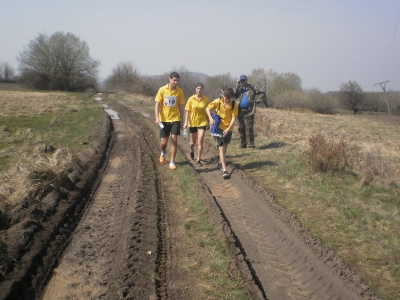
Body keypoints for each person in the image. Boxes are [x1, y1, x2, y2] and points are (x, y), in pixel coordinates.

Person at [155, 72, 185, 170]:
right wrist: (157, 117)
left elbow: (181, 106)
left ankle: (172, 161)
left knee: (174, 139)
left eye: (177, 81)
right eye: (174, 80)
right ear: (170, 79)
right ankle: (163, 152)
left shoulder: (180, 91)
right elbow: (158, 104)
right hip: (164, 119)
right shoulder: (162, 90)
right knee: (164, 142)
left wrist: (181, 120)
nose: (176, 82)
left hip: (175, 118)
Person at [206, 88, 238, 179]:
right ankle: (225, 170)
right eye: (225, 98)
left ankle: (220, 163)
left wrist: (228, 128)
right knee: (221, 148)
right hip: (219, 127)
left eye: (229, 98)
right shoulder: (218, 101)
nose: (227, 100)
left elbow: (233, 118)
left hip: (229, 128)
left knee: (225, 148)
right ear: (223, 96)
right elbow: (207, 108)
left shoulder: (234, 105)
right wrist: (210, 118)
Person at [183, 83, 209, 167]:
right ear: (195, 89)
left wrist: (208, 121)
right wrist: (186, 122)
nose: (199, 90)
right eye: (198, 88)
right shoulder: (191, 99)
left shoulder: (205, 100)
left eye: (201, 88)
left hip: (202, 122)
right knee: (192, 142)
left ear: (203, 90)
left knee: (200, 140)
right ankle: (191, 149)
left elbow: (207, 112)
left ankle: (198, 159)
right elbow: (187, 111)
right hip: (193, 122)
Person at [233, 74, 258, 148]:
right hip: (240, 111)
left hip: (249, 111)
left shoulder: (252, 87)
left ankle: (251, 144)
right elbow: (233, 94)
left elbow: (261, 92)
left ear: (246, 80)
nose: (242, 81)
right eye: (241, 80)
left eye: (243, 80)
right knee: (241, 128)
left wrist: (258, 101)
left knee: (249, 128)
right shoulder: (238, 89)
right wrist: (237, 85)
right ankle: (243, 144)